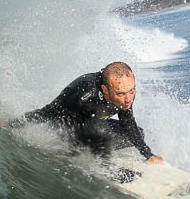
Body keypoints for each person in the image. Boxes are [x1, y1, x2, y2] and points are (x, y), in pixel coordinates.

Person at [22, 62, 163, 164]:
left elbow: (127, 123)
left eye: (131, 91)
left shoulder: (125, 92)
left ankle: (99, 152)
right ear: (105, 90)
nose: (128, 99)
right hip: (68, 127)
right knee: (99, 139)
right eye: (121, 94)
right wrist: (15, 123)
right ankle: (93, 157)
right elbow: (46, 112)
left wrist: (148, 154)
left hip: (95, 123)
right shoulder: (83, 96)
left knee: (138, 133)